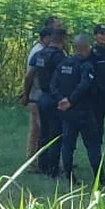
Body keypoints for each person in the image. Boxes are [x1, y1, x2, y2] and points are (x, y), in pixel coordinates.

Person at [51, 34, 100, 184]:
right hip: (83, 111)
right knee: (92, 144)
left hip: (66, 112)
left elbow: (53, 84)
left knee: (67, 144)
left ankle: (69, 177)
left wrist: (61, 99)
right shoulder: (86, 65)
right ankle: (100, 178)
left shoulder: (63, 64)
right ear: (88, 47)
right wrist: (70, 101)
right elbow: (84, 85)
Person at [19, 16, 62, 171]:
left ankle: (35, 161)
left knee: (37, 131)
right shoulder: (38, 51)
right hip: (36, 96)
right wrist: (26, 95)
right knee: (43, 130)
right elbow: (29, 75)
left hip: (39, 96)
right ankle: (40, 162)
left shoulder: (46, 51)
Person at [28, 27, 68, 177]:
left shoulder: (39, 54)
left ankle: (42, 164)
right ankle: (53, 168)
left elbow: (30, 75)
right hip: (55, 99)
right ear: (62, 40)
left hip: (41, 98)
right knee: (56, 134)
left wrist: (26, 94)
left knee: (43, 133)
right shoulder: (60, 58)